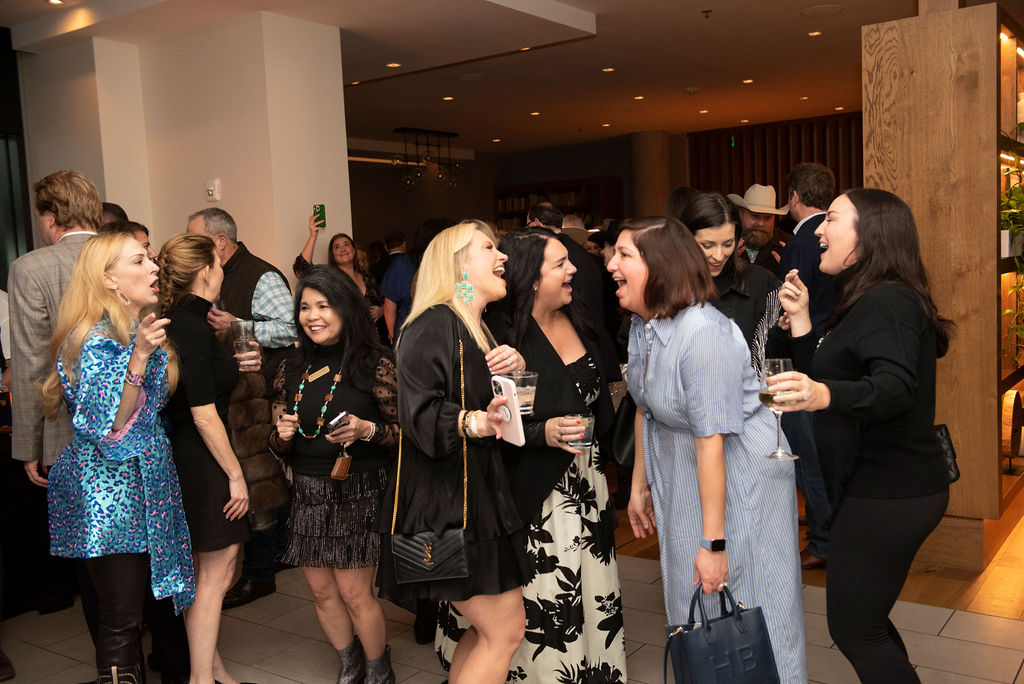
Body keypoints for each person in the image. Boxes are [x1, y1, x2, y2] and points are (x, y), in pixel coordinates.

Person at [608, 217, 806, 682]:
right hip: (683, 472)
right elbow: (645, 409)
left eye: (623, 254)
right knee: (692, 600)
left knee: (750, 597)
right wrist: (639, 486)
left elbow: (710, 438)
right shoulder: (643, 326)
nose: (610, 263)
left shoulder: (704, 334)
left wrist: (714, 543)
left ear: (659, 267)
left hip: (739, 477)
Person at [769, 188, 952, 681]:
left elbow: (894, 388)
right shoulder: (868, 297)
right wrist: (803, 320)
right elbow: (826, 372)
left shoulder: (888, 301)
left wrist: (823, 395)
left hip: (890, 490)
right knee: (866, 623)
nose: (819, 231)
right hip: (878, 485)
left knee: (854, 629)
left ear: (869, 237)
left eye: (832, 219)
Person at [437, 228, 626, 681]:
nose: (574, 270)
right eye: (559, 263)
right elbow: (487, 422)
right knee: (541, 603)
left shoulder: (580, 318)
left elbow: (600, 396)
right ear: (531, 277)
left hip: (586, 481)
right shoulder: (499, 334)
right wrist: (543, 431)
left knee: (589, 589)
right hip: (534, 493)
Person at [377, 220, 530, 684]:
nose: (502, 257)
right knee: (504, 632)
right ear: (458, 264)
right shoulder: (433, 323)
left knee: (491, 631)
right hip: (443, 510)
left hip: (468, 502)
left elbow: (502, 407)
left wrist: (517, 372)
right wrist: (475, 421)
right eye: (489, 248)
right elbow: (418, 415)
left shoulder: (476, 325)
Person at [39, 231, 195, 683]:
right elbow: (109, 423)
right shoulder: (93, 340)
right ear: (109, 280)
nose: (154, 268)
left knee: (144, 611)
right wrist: (141, 357)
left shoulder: (129, 329)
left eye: (150, 259)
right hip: (108, 495)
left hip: (138, 484)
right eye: (139, 262)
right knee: (122, 619)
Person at [269, 266, 399, 683]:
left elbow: (407, 434)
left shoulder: (375, 363)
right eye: (305, 307)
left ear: (345, 307)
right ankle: (350, 661)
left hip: (358, 488)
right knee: (322, 591)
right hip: (307, 490)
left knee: (354, 592)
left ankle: (379, 668)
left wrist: (368, 430)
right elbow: (277, 443)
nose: (313, 316)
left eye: (323, 305)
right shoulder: (291, 365)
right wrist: (282, 435)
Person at [158, 233, 260, 684]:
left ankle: (211, 668)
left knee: (209, 571)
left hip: (191, 455)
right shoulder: (190, 327)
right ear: (205, 271)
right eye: (219, 265)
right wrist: (236, 475)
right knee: (217, 573)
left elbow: (197, 385)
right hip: (203, 458)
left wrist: (237, 366)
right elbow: (202, 415)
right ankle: (201, 678)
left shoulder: (180, 322)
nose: (223, 272)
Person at [186, 207, 296, 608]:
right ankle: (270, 557)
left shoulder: (260, 275)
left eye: (194, 236)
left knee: (261, 476)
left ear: (218, 241)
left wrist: (241, 325)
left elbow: (292, 327)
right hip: (228, 391)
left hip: (258, 392)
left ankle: (263, 568)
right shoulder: (204, 279)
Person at [777, 161, 838, 572]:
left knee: (807, 454)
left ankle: (822, 540)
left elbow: (790, 304)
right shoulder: (834, 241)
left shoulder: (801, 243)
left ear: (794, 198)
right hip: (830, 358)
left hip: (806, 358)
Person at [681, 192, 781, 379]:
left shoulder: (761, 283)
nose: (719, 256)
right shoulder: (670, 286)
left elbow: (779, 356)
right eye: (707, 245)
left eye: (727, 244)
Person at [294, 215, 384, 327]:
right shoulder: (330, 278)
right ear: (332, 255)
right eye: (337, 247)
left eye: (346, 244)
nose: (343, 249)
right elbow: (302, 270)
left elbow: (386, 300)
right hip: (344, 340)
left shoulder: (367, 277)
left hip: (373, 338)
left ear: (353, 250)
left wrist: (381, 311)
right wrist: (313, 235)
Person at [726, 184, 789, 270]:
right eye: (755, 216)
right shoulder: (725, 243)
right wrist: (725, 261)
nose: (761, 223)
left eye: (768, 217)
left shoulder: (788, 246)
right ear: (741, 213)